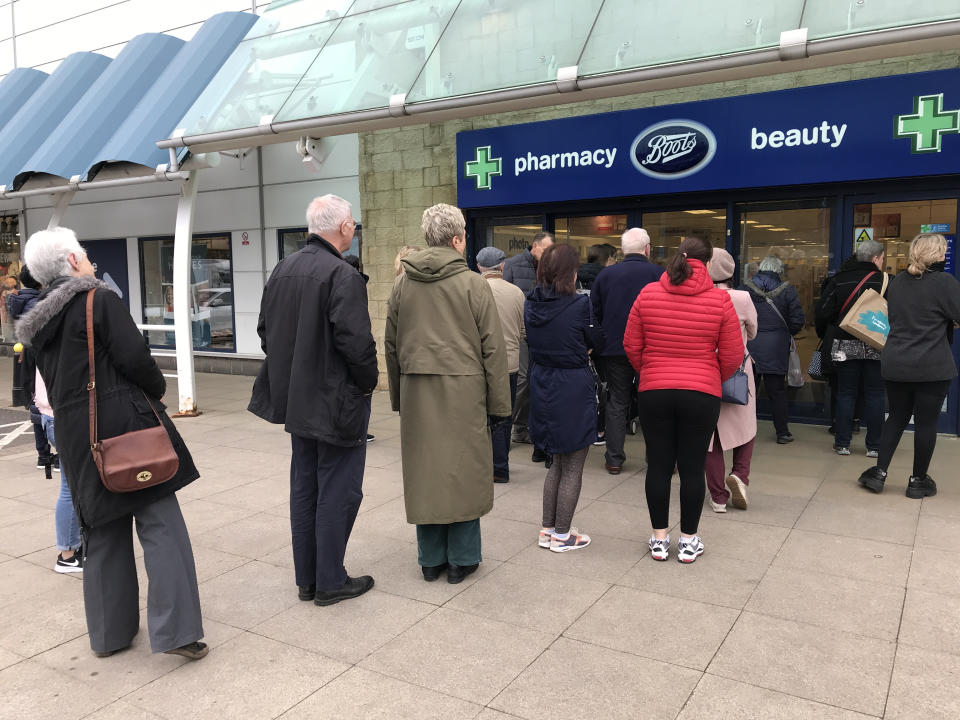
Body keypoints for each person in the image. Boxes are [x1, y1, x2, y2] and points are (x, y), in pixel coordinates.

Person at [16, 227, 207, 660]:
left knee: (101, 534)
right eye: (83, 255)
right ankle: (177, 632)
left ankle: (109, 635)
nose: (89, 262)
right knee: (161, 526)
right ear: (70, 261)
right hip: (125, 431)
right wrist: (158, 391)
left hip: (76, 436)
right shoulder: (96, 299)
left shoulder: (38, 320)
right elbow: (136, 358)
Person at [249, 194, 378, 606]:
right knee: (339, 490)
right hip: (336, 402)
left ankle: (309, 579)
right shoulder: (342, 275)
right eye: (353, 223)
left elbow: (265, 332)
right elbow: (357, 346)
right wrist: (367, 383)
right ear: (342, 227)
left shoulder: (284, 268)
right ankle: (330, 581)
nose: (354, 229)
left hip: (297, 400)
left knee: (305, 487)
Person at [386, 203, 510, 584]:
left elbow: (390, 344)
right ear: (457, 239)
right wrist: (499, 404)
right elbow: (493, 347)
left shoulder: (402, 282)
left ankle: (430, 559)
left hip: (417, 390)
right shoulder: (474, 284)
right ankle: (462, 558)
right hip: (465, 390)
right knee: (464, 471)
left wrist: (397, 397)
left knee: (426, 472)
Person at [623, 236, 742, 563]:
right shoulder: (719, 301)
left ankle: (659, 540)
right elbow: (733, 354)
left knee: (659, 465)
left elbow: (631, 345)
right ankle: (689, 541)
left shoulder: (648, 294)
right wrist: (710, 377)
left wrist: (650, 371)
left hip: (655, 390)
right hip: (701, 393)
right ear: (706, 262)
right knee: (693, 467)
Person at [858, 233, 960, 498]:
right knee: (926, 423)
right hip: (932, 365)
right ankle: (918, 481)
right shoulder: (945, 283)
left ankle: (879, 473)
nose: (945, 254)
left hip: (897, 362)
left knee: (896, 418)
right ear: (937, 254)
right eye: (944, 250)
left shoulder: (898, 281)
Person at [526, 244, 605, 552]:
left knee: (556, 463)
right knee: (573, 465)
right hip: (572, 386)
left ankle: (548, 530)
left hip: (543, 382)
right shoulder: (579, 306)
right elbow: (597, 339)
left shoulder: (530, 302)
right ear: (569, 274)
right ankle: (562, 535)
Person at [591, 227, 664, 474]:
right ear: (647, 248)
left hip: (614, 348)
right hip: (650, 349)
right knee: (651, 404)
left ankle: (614, 459)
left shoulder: (606, 275)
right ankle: (656, 458)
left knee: (616, 402)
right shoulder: (659, 274)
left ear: (623, 250)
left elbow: (595, 314)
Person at [815, 240, 889, 457]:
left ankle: (842, 443)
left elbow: (822, 312)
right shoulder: (886, 281)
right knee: (875, 394)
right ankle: (874, 446)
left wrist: (826, 332)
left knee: (845, 392)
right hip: (876, 344)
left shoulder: (839, 280)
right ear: (876, 258)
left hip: (843, 344)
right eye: (882, 258)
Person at [705, 249, 758, 512]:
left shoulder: (701, 296)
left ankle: (717, 497)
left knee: (711, 435)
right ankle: (740, 475)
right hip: (738, 370)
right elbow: (753, 331)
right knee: (746, 426)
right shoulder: (743, 297)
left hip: (707, 371)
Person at [503, 231, 554, 460]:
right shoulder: (513, 265)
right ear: (535, 246)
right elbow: (505, 297)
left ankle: (526, 427)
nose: (549, 254)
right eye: (546, 249)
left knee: (537, 379)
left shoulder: (550, 266)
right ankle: (512, 426)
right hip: (520, 332)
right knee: (523, 378)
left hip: (542, 332)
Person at [743, 256, 805, 443]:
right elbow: (797, 320)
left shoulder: (744, 288)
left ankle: (744, 432)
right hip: (776, 346)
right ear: (779, 271)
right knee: (777, 391)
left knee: (746, 391)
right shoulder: (788, 290)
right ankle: (782, 433)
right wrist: (784, 334)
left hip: (749, 345)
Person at [477, 245, 525, 484]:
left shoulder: (473, 288)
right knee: (504, 416)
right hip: (509, 363)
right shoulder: (516, 292)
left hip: (479, 363)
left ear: (478, 267)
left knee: (481, 416)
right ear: (503, 266)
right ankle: (501, 467)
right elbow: (523, 330)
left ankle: (481, 466)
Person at [6, 266, 56, 470]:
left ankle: (43, 455)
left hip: (27, 355)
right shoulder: (37, 302)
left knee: (37, 403)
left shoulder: (18, 300)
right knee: (50, 403)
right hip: (40, 355)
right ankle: (57, 455)